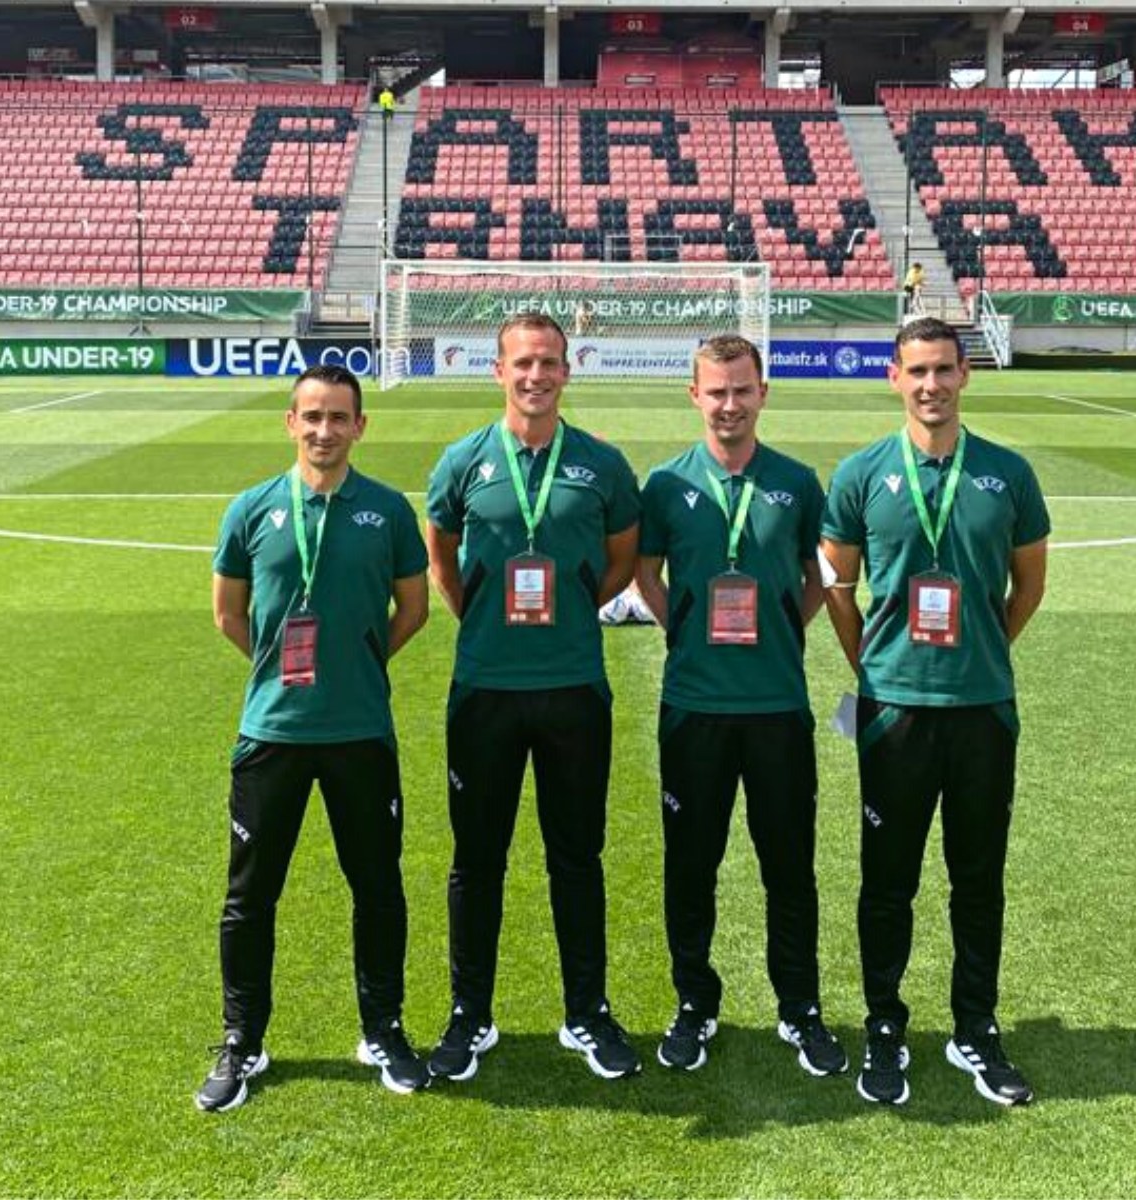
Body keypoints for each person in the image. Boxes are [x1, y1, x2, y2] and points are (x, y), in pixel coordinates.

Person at [819, 317, 1049, 1109]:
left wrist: (982, 652)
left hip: (983, 708)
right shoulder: (859, 475)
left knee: (978, 879)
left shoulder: (1007, 474)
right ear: (894, 377)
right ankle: (884, 1025)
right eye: (917, 371)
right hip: (891, 712)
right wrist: (873, 669)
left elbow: (1029, 588)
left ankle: (975, 1027)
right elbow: (837, 588)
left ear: (964, 377)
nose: (931, 385)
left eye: (944, 370)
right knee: (888, 881)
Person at [197, 364, 431, 1112]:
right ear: (290, 423)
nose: (325, 430)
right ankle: (243, 1040)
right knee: (249, 897)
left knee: (377, 887)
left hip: (361, 731)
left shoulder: (388, 512)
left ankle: (383, 1029)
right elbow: (230, 616)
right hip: (272, 733)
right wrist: (281, 675)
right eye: (312, 416)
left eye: (339, 417)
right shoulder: (252, 509)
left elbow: (413, 609)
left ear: (361, 426)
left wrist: (355, 666)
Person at [423, 311, 644, 1082]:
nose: (536, 376)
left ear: (566, 370)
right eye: (522, 363)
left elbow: (619, 565)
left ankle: (586, 1013)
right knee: (476, 861)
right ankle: (468, 1017)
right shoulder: (462, 462)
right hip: (485, 687)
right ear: (498, 371)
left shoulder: (603, 465)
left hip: (575, 686)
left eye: (549, 362)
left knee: (576, 857)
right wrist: (481, 618)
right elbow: (443, 562)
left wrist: (574, 608)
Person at [633, 335, 846, 1077]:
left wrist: (789, 628)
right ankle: (694, 1003)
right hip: (693, 706)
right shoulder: (664, 483)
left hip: (777, 706)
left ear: (763, 393)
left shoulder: (795, 481)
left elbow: (821, 575)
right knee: (692, 864)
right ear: (694, 396)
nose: (729, 404)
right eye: (715, 391)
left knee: (789, 867)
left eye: (742, 390)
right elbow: (643, 571)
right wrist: (682, 627)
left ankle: (800, 1008)